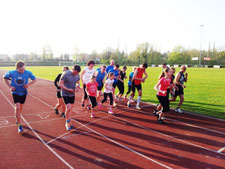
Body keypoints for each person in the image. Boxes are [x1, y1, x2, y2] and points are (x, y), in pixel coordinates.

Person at [3, 61, 36, 134]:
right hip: (15, 92)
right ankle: (19, 125)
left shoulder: (28, 73)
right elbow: (4, 78)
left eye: (23, 69)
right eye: (21, 69)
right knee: (17, 107)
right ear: (17, 68)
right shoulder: (11, 72)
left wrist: (28, 84)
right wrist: (10, 86)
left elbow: (34, 79)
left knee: (20, 108)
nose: (22, 71)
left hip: (23, 92)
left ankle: (17, 118)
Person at [59, 65, 81, 131]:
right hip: (65, 93)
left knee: (71, 109)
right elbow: (60, 84)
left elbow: (78, 82)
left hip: (72, 93)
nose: (76, 74)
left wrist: (78, 87)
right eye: (75, 72)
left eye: (77, 73)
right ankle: (67, 123)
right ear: (72, 69)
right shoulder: (65, 74)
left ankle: (69, 122)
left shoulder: (77, 75)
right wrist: (68, 89)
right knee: (68, 108)